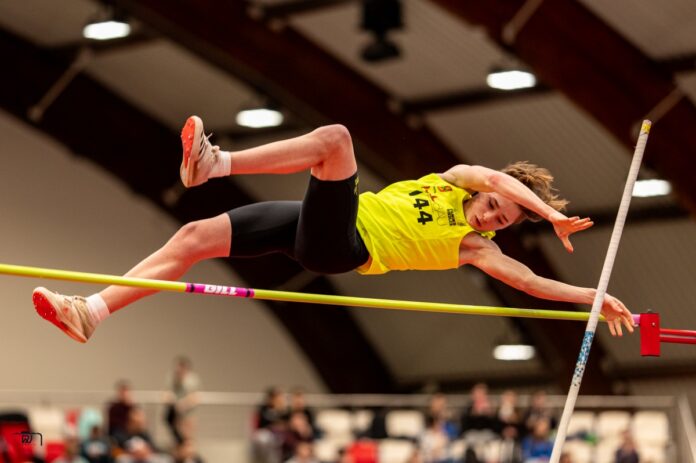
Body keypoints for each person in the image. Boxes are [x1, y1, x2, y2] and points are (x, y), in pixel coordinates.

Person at [32, 117, 635, 342]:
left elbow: (530, 284)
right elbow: (497, 180)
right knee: (191, 240)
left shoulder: (473, 247)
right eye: (496, 204)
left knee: (337, 141)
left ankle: (216, 165)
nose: (493, 216)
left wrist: (591, 297)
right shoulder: (457, 179)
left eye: (504, 221)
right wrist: (549, 211)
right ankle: (93, 313)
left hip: (346, 246)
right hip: (325, 222)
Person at [164, 356, 201, 445]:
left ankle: (188, 456)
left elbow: (195, 397)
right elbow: (166, 393)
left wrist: (183, 404)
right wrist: (171, 400)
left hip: (188, 414)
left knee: (188, 438)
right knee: (176, 439)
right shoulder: (171, 378)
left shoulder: (192, 380)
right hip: (175, 414)